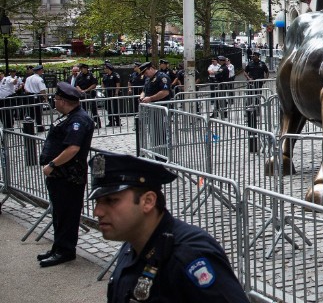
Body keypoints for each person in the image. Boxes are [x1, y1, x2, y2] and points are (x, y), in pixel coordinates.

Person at [89, 153, 248, 302]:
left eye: (111, 200)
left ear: (148, 201)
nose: (98, 212)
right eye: (98, 202)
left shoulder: (188, 255)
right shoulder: (132, 246)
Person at [37, 82, 95, 267]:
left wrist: (52, 165)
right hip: (60, 175)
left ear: (62, 101)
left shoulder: (78, 120)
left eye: (56, 98)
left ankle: (66, 250)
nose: (54, 101)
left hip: (68, 175)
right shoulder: (68, 117)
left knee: (67, 214)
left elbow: (73, 148)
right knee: (59, 213)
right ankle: (58, 247)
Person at [100, 63, 123, 127]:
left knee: (115, 108)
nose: (104, 70)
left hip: (113, 94)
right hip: (107, 94)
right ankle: (111, 121)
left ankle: (118, 121)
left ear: (108, 69)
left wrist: (116, 93)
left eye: (105, 68)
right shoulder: (105, 76)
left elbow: (118, 84)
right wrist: (103, 89)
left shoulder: (115, 75)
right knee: (108, 108)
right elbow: (102, 83)